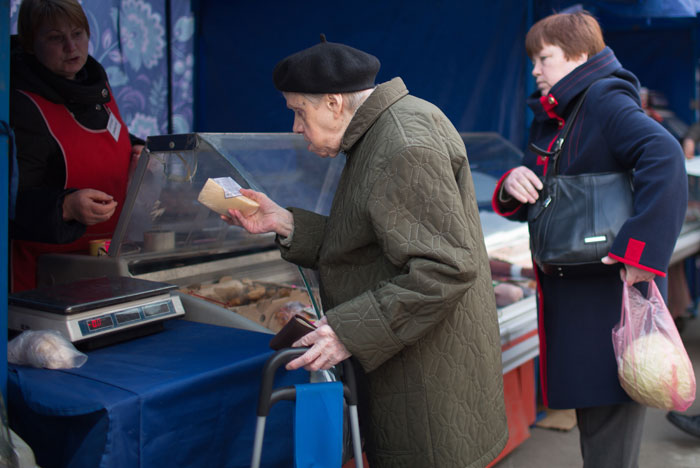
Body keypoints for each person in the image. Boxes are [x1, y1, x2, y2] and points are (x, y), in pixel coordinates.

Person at [223, 35, 508, 467]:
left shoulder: (401, 144)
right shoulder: (392, 125)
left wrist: (346, 331)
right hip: (419, 373)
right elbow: (369, 244)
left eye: (299, 111)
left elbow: (444, 269)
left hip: (426, 389)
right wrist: (283, 222)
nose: (296, 127)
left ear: (334, 103)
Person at [491, 11, 687, 468]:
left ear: (579, 56)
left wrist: (639, 253)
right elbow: (542, 189)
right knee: (598, 432)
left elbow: (665, 156)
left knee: (608, 438)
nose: (535, 70)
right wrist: (513, 181)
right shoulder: (557, 115)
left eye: (545, 58)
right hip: (574, 297)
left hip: (606, 299)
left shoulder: (602, 97)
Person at [9, 0, 142, 292]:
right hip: (45, 280)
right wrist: (66, 207)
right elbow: (12, 203)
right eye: (56, 38)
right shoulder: (21, 106)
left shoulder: (96, 87)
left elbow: (110, 139)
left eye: (78, 33)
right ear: (31, 44)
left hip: (107, 265)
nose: (72, 47)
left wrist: (137, 151)